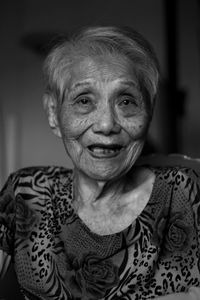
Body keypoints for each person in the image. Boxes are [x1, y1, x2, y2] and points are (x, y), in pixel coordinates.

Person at [0, 25, 200, 300]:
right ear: (53, 114)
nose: (106, 124)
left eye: (127, 101)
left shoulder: (185, 193)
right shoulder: (27, 192)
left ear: (149, 113)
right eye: (84, 100)